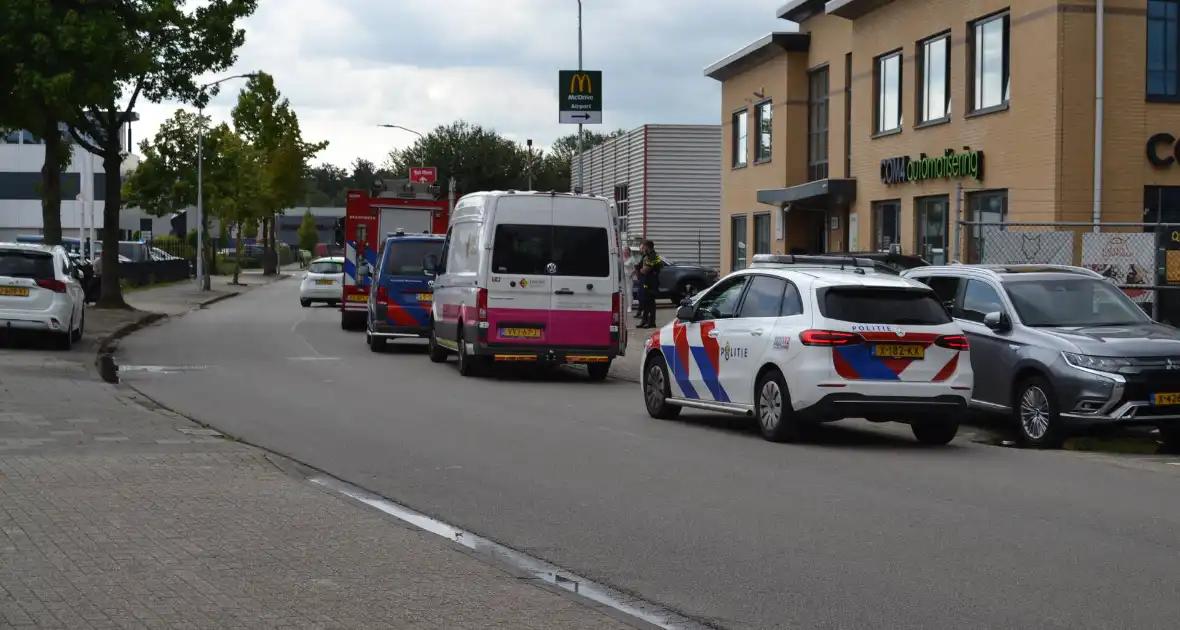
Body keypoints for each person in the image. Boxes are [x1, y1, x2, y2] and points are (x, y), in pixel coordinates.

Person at [637, 240, 663, 329]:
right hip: (647, 281)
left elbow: (644, 270)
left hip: (650, 282)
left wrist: (639, 269)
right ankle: (648, 321)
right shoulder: (648, 255)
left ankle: (648, 321)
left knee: (648, 301)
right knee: (648, 302)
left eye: (643, 247)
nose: (642, 248)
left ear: (647, 247)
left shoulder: (652, 256)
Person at [621, 247, 637, 316]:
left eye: (626, 250)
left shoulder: (632, 258)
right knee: (623, 292)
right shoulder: (621, 258)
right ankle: (624, 306)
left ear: (629, 251)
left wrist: (632, 274)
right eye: (623, 250)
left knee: (629, 291)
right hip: (621, 277)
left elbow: (636, 267)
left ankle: (629, 306)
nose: (624, 252)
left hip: (628, 276)